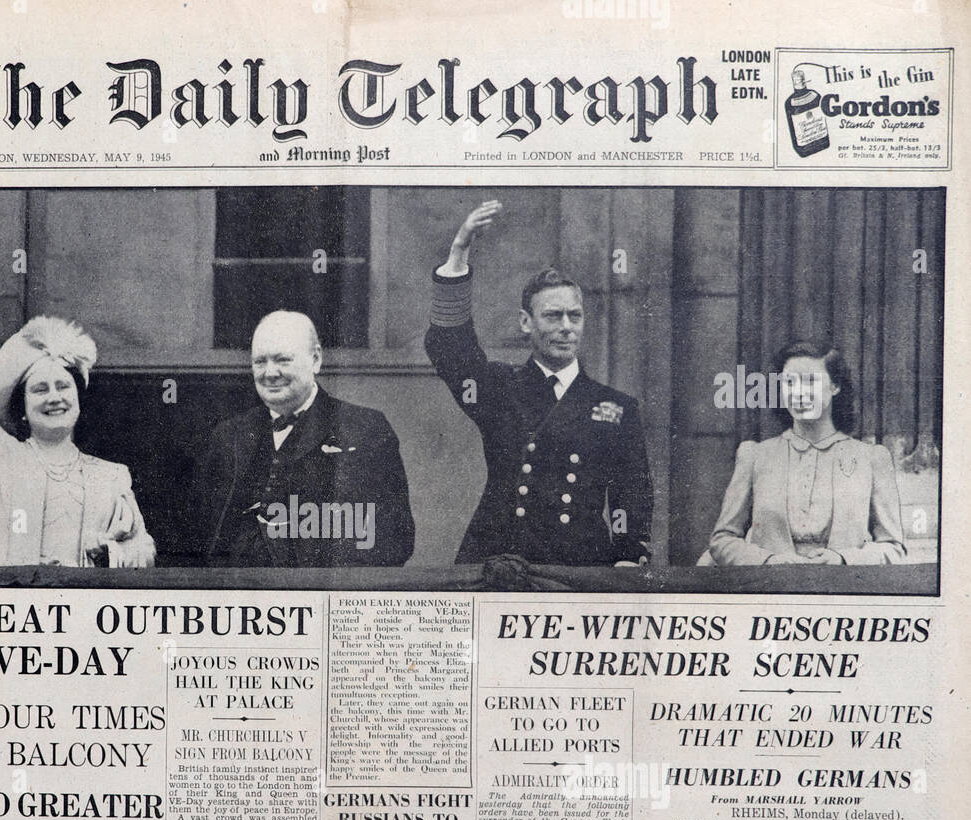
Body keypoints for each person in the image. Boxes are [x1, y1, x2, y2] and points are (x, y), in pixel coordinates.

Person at [425, 199, 653, 567]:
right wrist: (458, 252)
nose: (566, 327)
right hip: (501, 558)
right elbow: (451, 350)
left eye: (574, 316)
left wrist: (629, 554)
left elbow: (631, 492)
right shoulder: (499, 388)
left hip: (579, 563)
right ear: (526, 323)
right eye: (552, 316)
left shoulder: (617, 406)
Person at [0, 282, 155, 568]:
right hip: (10, 608)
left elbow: (143, 549)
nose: (54, 398)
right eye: (40, 389)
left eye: (62, 387)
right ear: (22, 407)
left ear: (78, 398)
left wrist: (109, 555)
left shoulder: (111, 477)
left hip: (81, 608)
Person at [195, 310, 415, 568]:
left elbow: (394, 539)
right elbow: (204, 535)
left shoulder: (365, 429)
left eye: (283, 360)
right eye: (259, 361)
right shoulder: (228, 435)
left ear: (315, 360)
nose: (270, 372)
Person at [705, 341, 906, 566]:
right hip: (770, 592)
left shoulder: (872, 458)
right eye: (789, 383)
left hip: (843, 592)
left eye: (811, 381)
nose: (799, 393)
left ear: (835, 386)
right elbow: (722, 539)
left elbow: (893, 548)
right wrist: (767, 560)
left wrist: (844, 559)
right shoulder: (755, 456)